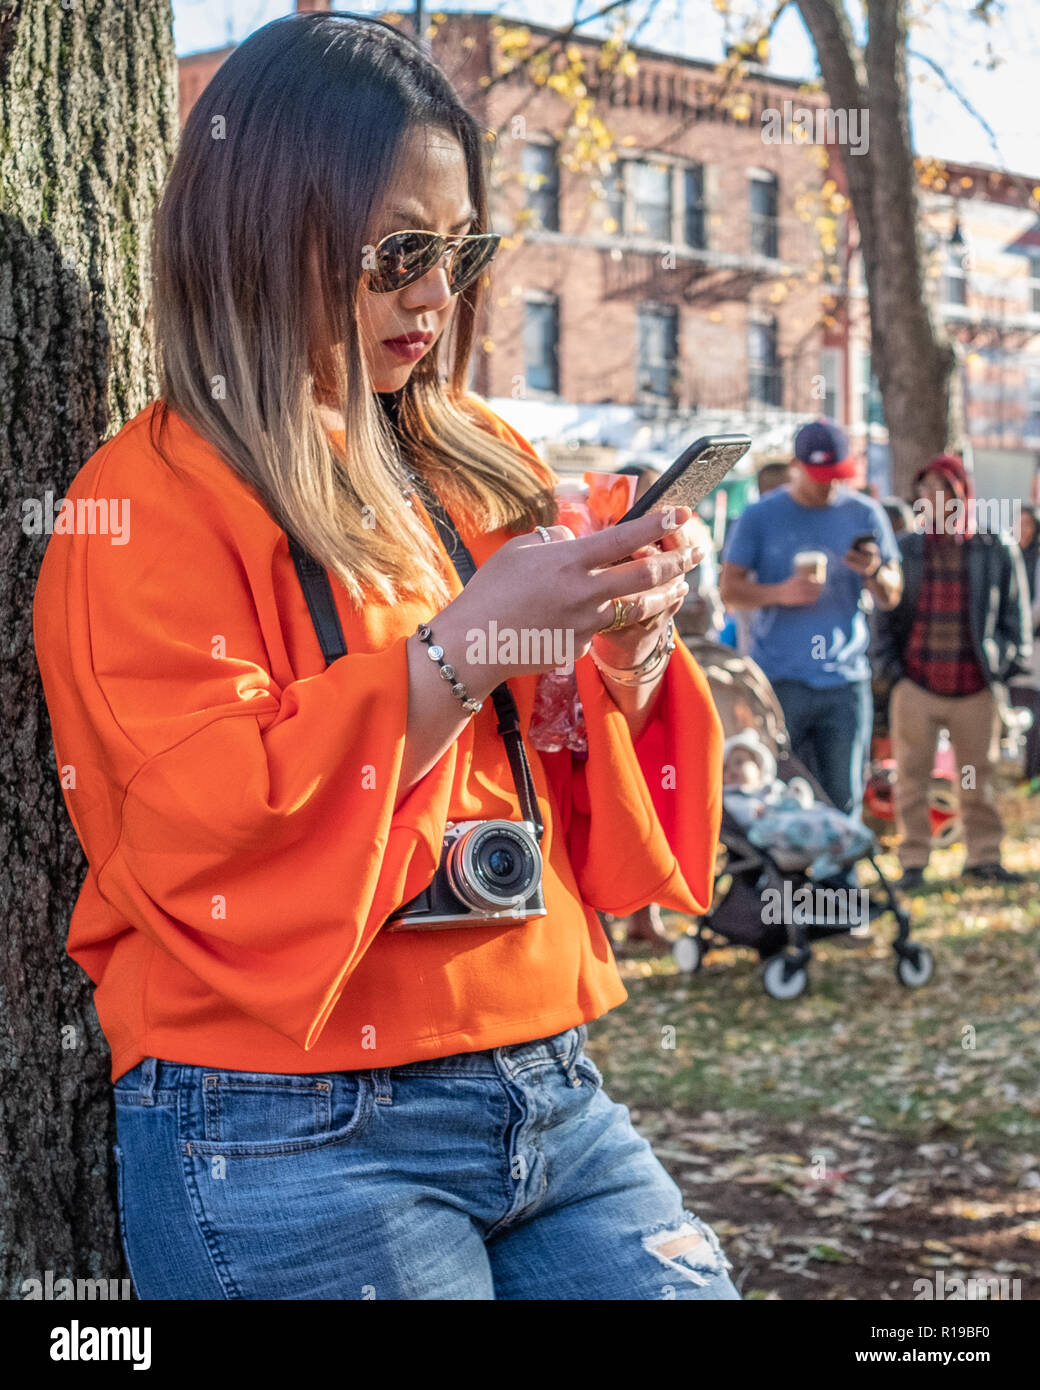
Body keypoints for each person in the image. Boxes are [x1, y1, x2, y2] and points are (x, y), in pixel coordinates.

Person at [32, 13, 738, 1301]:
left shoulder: (481, 454)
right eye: (400, 252)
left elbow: (553, 770)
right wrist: (463, 649)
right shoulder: (143, 500)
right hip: (281, 1116)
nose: (435, 295)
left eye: (461, 250)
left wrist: (625, 652)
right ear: (260, 230)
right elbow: (196, 826)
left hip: (548, 1078)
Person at [719, 420, 902, 829]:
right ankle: (787, 866)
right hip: (779, 678)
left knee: (842, 793)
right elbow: (729, 588)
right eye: (820, 477)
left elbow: (892, 595)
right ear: (795, 467)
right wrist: (778, 593)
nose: (829, 486)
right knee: (780, 792)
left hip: (844, 679)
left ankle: (840, 865)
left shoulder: (864, 513)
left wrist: (874, 571)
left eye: (837, 476)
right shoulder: (760, 516)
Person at [873, 455, 1032, 889]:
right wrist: (892, 671)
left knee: (976, 779)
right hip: (917, 684)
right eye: (924, 490)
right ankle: (913, 861)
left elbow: (1015, 617)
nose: (929, 497)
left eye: (939, 489)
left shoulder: (993, 548)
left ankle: (983, 858)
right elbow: (884, 615)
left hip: (975, 686)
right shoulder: (907, 549)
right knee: (911, 780)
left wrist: (1002, 664)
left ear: (960, 494)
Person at [722, 732, 875, 882]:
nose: (732, 771)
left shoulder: (772, 786)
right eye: (725, 768)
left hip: (796, 815)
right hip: (772, 831)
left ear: (758, 766)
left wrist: (796, 793)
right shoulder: (734, 798)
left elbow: (795, 802)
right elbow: (743, 815)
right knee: (800, 828)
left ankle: (847, 841)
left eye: (739, 762)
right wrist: (755, 811)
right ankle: (831, 852)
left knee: (822, 815)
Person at [1009, 504, 1040, 784]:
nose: (1023, 530)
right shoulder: (1007, 555)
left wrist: (1023, 624)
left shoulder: (1036, 559)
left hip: (1034, 648)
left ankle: (1032, 773)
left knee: (1033, 712)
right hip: (1009, 648)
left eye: (1029, 524)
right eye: (1019, 523)